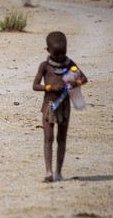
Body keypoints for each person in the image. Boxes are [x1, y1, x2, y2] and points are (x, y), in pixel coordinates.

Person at [33, 31, 87, 182]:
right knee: (48, 137)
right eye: (56, 54)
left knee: (61, 138)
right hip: (49, 106)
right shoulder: (45, 66)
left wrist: (75, 83)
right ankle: (48, 172)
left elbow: (84, 78)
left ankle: (58, 173)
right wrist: (50, 87)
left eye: (63, 53)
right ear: (48, 50)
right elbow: (35, 86)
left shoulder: (70, 64)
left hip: (64, 106)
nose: (60, 57)